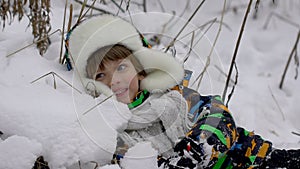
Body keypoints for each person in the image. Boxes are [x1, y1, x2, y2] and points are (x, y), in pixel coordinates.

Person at [67, 15, 300, 168]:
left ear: (140, 69)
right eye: (100, 76)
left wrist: (198, 146)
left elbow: (216, 114)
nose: (114, 80)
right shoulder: (113, 127)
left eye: (121, 67)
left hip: (250, 157)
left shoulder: (172, 96)